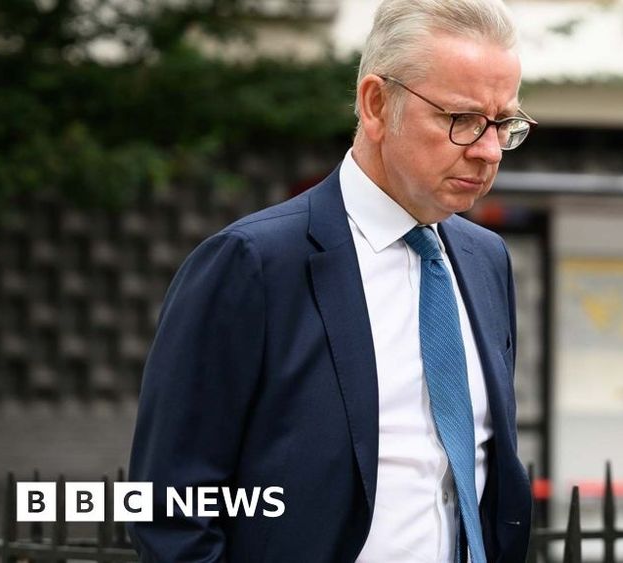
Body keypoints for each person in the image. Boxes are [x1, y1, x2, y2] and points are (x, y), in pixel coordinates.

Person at [127, 1, 535, 561]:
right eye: (462, 120)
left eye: (504, 124)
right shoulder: (252, 264)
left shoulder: (486, 259)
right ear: (376, 104)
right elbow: (169, 508)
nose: (488, 151)